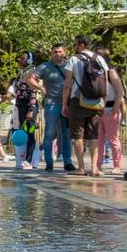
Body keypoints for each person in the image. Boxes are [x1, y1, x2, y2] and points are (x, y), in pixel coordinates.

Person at [62, 35, 110, 176]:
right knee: (94, 135)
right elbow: (105, 83)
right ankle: (95, 168)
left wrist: (65, 103)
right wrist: (103, 102)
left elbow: (67, 84)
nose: (74, 47)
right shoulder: (100, 58)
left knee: (78, 136)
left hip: (78, 101)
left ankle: (81, 167)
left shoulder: (73, 59)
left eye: (75, 44)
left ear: (81, 45)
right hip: (96, 101)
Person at [34, 44, 74, 172]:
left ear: (65, 52)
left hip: (67, 102)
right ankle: (49, 162)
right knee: (50, 133)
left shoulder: (70, 64)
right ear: (51, 54)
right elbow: (29, 78)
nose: (57, 54)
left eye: (60, 51)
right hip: (52, 103)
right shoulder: (45, 66)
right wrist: (40, 88)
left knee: (66, 133)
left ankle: (68, 162)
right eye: (55, 52)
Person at [92, 48, 126, 176]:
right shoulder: (94, 73)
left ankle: (117, 165)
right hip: (97, 109)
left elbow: (120, 92)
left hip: (111, 109)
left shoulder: (111, 73)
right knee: (98, 140)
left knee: (113, 139)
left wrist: (115, 109)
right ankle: (98, 164)